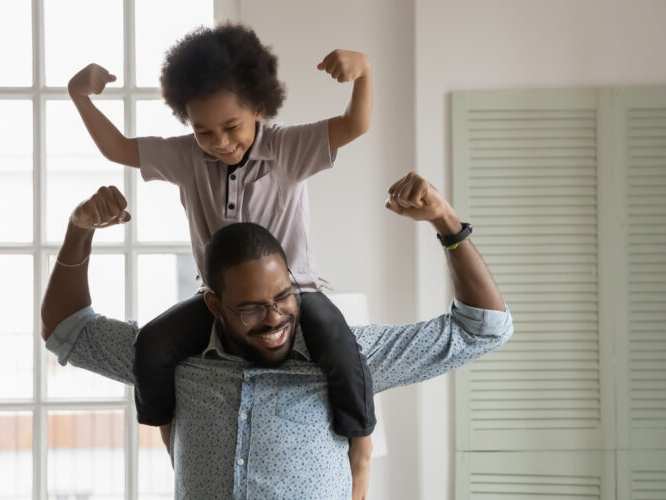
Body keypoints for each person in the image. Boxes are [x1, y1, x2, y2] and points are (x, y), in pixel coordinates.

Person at [41, 172, 513, 499]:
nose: (273, 319)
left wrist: (446, 223)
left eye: (283, 297)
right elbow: (66, 329)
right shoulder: (175, 359)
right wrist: (80, 229)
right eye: (249, 308)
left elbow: (483, 329)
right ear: (213, 305)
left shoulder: (350, 355)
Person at [66, 22, 376, 485]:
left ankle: (362, 456)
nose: (220, 142)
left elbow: (356, 124)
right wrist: (80, 97)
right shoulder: (188, 157)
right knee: (151, 345)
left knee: (341, 349)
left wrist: (364, 72)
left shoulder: (287, 148)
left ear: (258, 106)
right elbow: (118, 149)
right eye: (203, 130)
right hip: (220, 302)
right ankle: (176, 443)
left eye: (232, 126)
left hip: (295, 294)